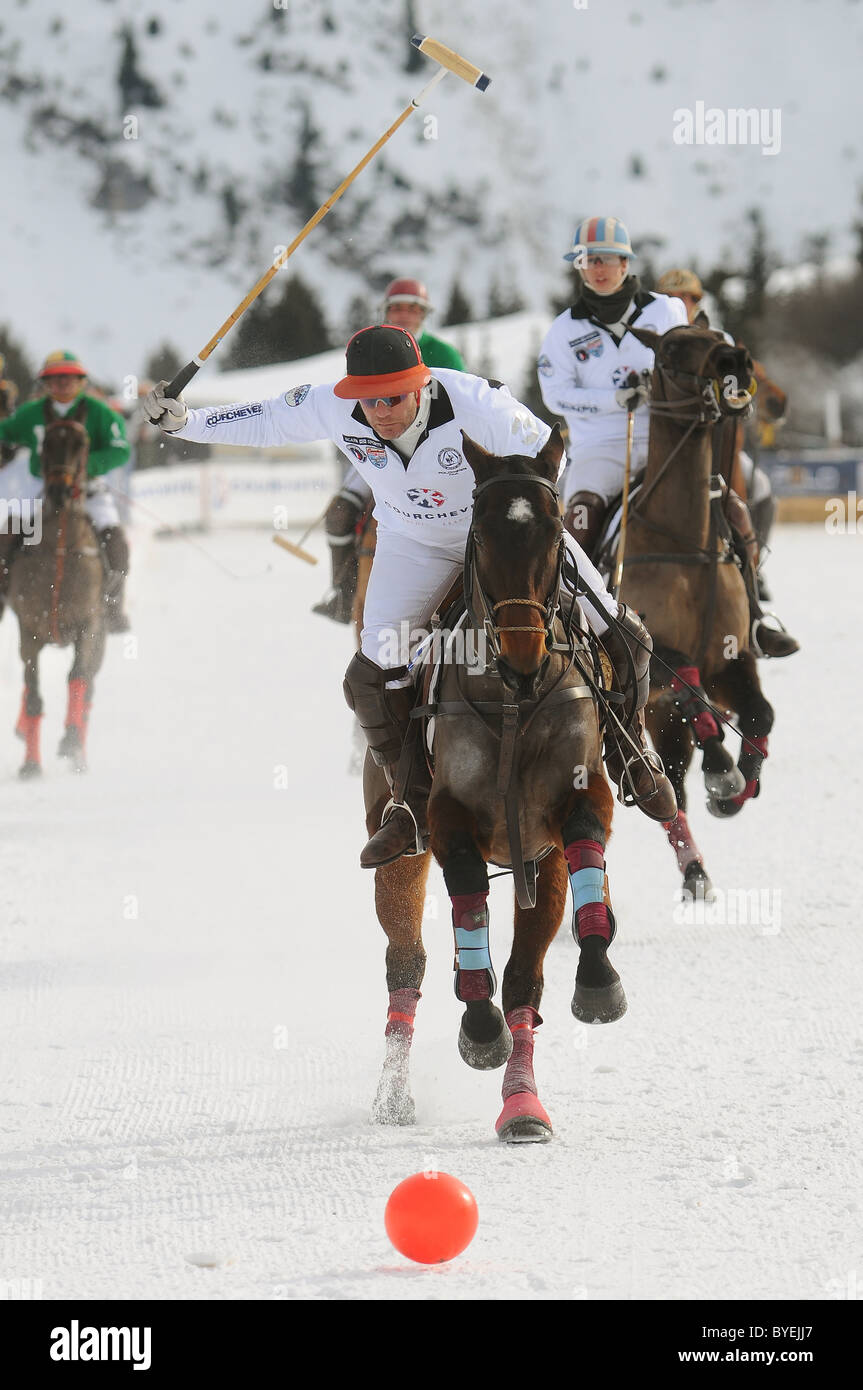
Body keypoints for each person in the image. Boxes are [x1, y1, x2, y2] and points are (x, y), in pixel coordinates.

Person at [144, 325, 677, 862]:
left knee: (619, 629)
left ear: (421, 386)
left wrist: (515, 518)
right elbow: (265, 420)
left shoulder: (472, 399)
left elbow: (546, 451)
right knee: (373, 670)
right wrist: (187, 422)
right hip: (411, 543)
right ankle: (409, 804)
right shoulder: (333, 405)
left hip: (497, 537)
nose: (381, 411)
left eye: (395, 397)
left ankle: (633, 754)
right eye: (368, 400)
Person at [656, 269, 797, 652]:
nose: (680, 305)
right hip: (659, 446)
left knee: (760, 492)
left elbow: (746, 388)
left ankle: (753, 585)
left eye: (687, 298)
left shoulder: (721, 343)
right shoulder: (652, 340)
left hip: (713, 447)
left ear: (698, 303)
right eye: (672, 298)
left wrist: (743, 399)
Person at [313, 278, 466, 624]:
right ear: (386, 312)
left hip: (431, 453)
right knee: (340, 512)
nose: (405, 315)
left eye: (413, 309)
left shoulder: (445, 354)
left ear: (424, 314)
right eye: (398, 308)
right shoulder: (368, 347)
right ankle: (343, 593)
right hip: (377, 448)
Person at [0, 351, 133, 632]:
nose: (61, 384)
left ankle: (111, 606)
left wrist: (89, 465)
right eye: (54, 379)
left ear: (81, 381)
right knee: (7, 534)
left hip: (88, 489)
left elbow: (121, 449)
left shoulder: (99, 413)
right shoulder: (31, 413)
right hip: (40, 488)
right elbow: (5, 432)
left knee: (116, 542)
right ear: (46, 383)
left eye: (68, 378)